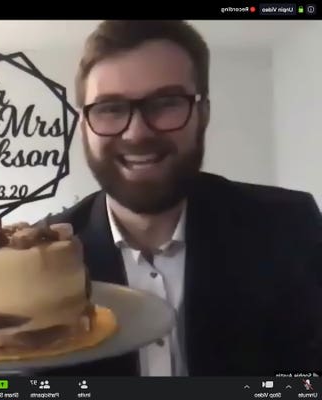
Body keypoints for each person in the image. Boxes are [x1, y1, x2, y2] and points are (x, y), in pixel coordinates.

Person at [48, 20, 322, 376]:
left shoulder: (290, 227)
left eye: (165, 103)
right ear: (84, 127)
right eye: (110, 109)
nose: (136, 133)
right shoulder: (43, 260)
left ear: (203, 113)